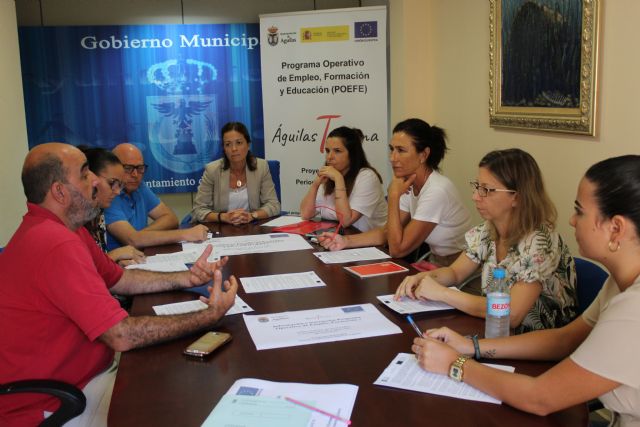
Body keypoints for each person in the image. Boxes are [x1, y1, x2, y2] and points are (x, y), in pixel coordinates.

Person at [0, 143, 238, 426]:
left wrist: (187, 278)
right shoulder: (55, 243)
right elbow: (122, 335)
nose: (95, 181)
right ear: (59, 192)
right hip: (54, 402)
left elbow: (120, 279)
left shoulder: (66, 230)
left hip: (84, 376)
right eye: (85, 174)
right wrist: (209, 316)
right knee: (181, 398)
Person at [411, 155, 640, 424]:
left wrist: (455, 363)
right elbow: (564, 339)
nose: (571, 220)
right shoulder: (617, 283)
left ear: (616, 228)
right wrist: (470, 346)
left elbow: (540, 397)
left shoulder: (633, 308)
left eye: (579, 211)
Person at [396, 149, 577, 332]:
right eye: (477, 186)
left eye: (486, 190)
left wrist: (442, 293)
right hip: (496, 332)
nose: (475, 196)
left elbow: (511, 314)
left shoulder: (541, 242)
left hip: (536, 341)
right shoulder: (488, 230)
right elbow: (455, 272)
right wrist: (421, 278)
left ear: (517, 197)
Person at [319, 118, 471, 266]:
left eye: (401, 150)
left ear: (423, 155)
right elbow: (387, 232)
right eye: (392, 149)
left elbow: (397, 250)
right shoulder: (408, 182)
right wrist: (345, 241)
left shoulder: (436, 190)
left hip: (460, 267)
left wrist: (393, 196)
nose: (392, 158)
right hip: (436, 261)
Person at [105, 143, 209, 250]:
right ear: (114, 168)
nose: (135, 174)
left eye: (140, 168)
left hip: (141, 253)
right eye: (128, 168)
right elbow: (132, 240)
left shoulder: (140, 187)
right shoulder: (109, 195)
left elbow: (171, 218)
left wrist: (141, 236)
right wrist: (186, 234)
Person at [299, 126, 387, 232]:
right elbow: (305, 214)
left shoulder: (367, 177)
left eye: (337, 151)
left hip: (369, 240)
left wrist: (339, 180)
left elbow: (345, 221)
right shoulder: (330, 176)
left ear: (352, 154)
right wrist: (315, 185)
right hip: (339, 237)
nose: (329, 157)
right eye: (327, 151)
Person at [191, 122, 281, 225]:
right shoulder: (212, 170)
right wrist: (223, 217)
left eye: (239, 143)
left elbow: (274, 205)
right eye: (228, 144)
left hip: (253, 227)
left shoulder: (261, 167)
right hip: (222, 228)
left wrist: (252, 216)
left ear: (248, 145)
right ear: (224, 149)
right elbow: (198, 210)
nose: (234, 149)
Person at [80, 146, 145, 266]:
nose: (117, 192)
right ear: (91, 178)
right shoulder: (74, 219)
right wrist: (114, 255)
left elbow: (99, 264)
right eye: (112, 183)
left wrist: (115, 263)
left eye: (119, 185)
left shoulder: (98, 213)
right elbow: (80, 269)